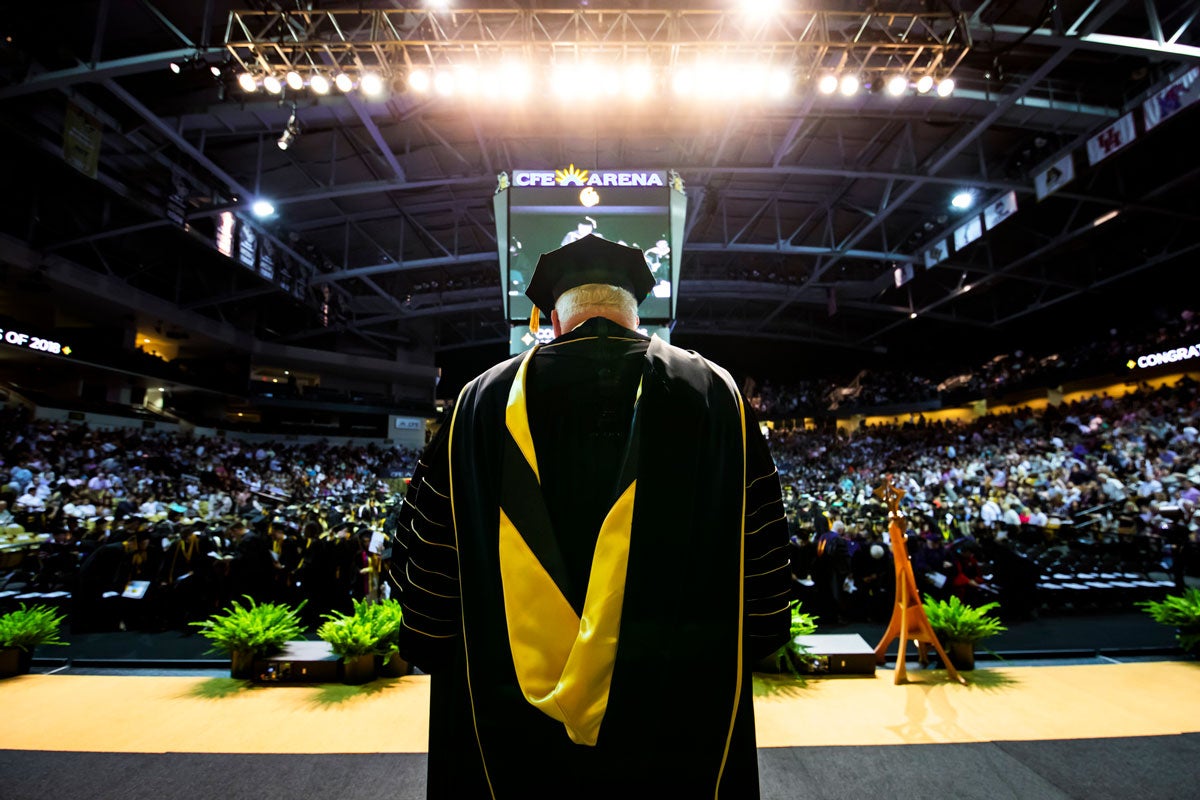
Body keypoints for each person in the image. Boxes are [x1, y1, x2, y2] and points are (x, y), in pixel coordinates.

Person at [393, 234, 792, 799]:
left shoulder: (478, 400)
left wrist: (433, 642)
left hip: (507, 706)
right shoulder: (715, 393)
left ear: (554, 319)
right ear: (637, 312)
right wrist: (747, 640)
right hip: (681, 698)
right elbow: (764, 555)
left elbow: (428, 559)